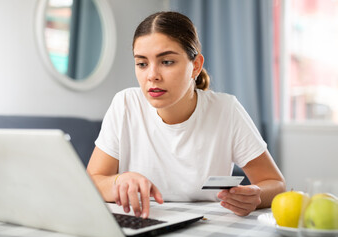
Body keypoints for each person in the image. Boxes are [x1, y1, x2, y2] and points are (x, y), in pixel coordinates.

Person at [87, 11, 285, 219]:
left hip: (206, 225)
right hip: (143, 222)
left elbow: (276, 184)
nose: (152, 75)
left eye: (167, 62)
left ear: (196, 66)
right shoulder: (125, 104)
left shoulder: (226, 110)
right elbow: (92, 180)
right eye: (142, 64)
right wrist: (119, 181)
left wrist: (256, 196)